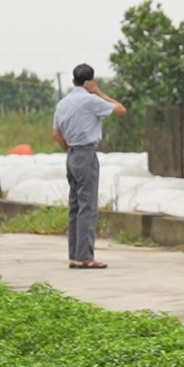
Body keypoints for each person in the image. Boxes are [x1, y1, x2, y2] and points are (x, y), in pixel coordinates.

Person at [52, 64, 127, 270]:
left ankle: (74, 255)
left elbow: (56, 133)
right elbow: (121, 109)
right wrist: (99, 92)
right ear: (89, 81)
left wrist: (69, 148)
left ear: (73, 80)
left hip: (72, 154)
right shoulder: (90, 100)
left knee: (75, 206)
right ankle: (85, 257)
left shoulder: (63, 103)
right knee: (88, 206)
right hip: (86, 153)